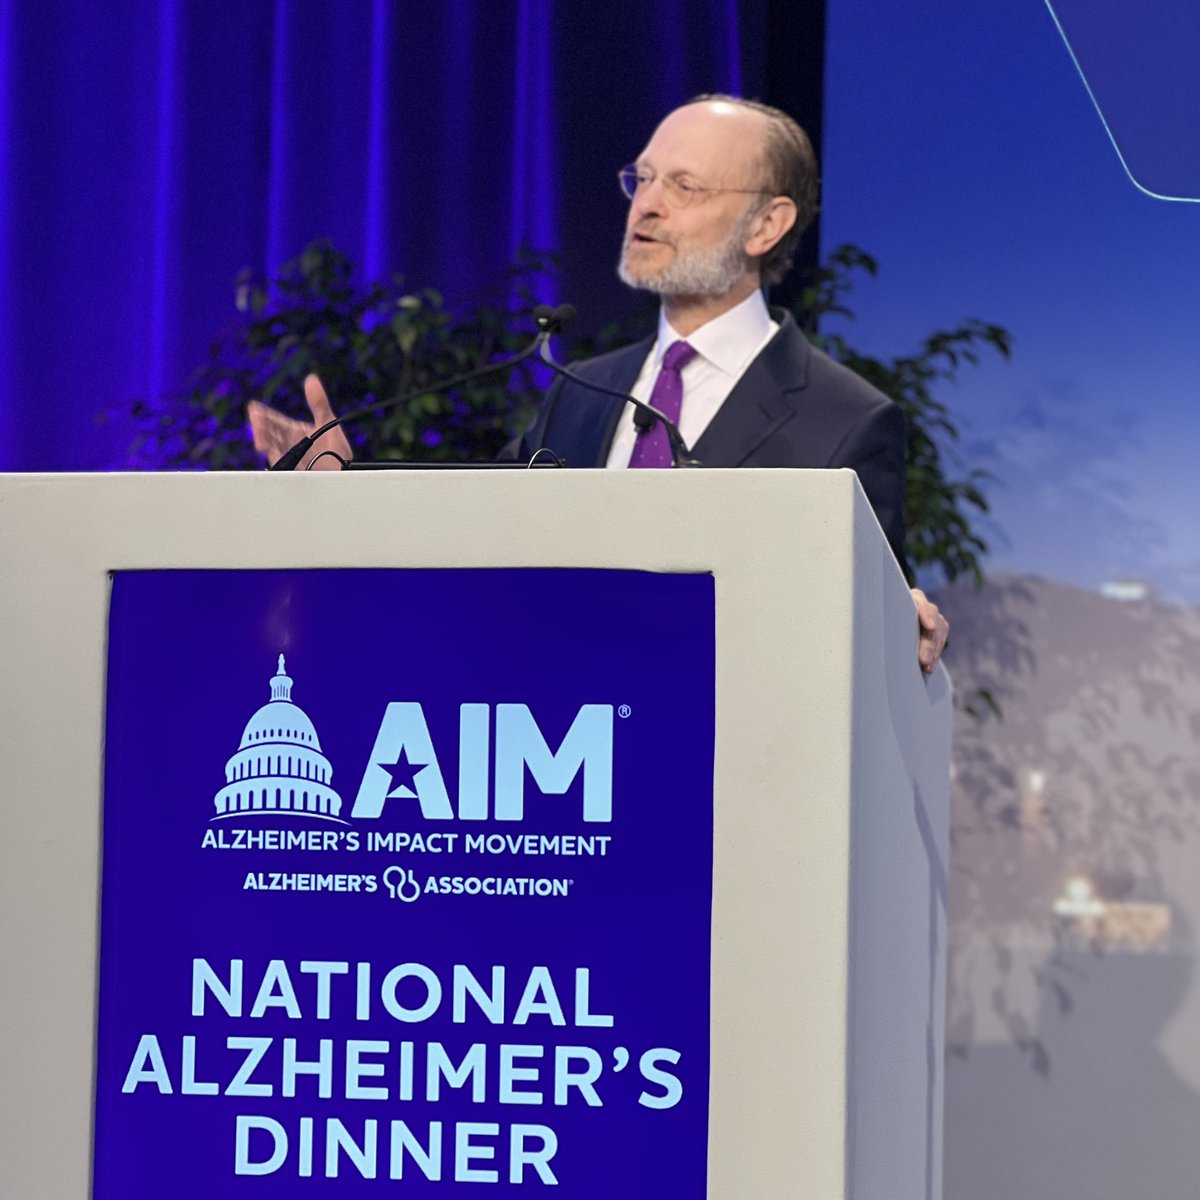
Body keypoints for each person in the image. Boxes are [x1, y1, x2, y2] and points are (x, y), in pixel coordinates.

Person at [249, 95, 948, 674]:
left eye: (684, 186)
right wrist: (346, 488)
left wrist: (902, 622)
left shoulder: (846, 421)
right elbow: (475, 542)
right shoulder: (583, 389)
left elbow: (879, 630)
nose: (646, 206)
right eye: (641, 179)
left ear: (768, 224)